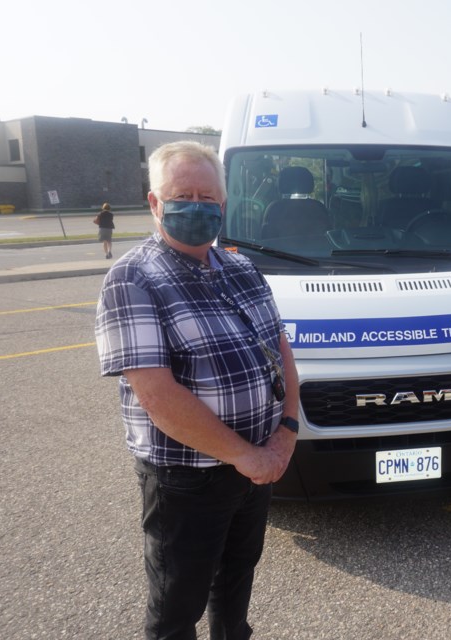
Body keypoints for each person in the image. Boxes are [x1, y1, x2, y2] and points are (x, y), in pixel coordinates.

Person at [95, 140, 299, 640]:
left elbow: (281, 349)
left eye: (208, 198)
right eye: (182, 194)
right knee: (176, 604)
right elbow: (157, 396)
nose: (197, 205)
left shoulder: (241, 268)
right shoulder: (132, 278)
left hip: (256, 463)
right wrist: (245, 456)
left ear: (223, 206)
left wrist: (288, 430)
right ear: (154, 202)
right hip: (187, 479)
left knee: (236, 580)